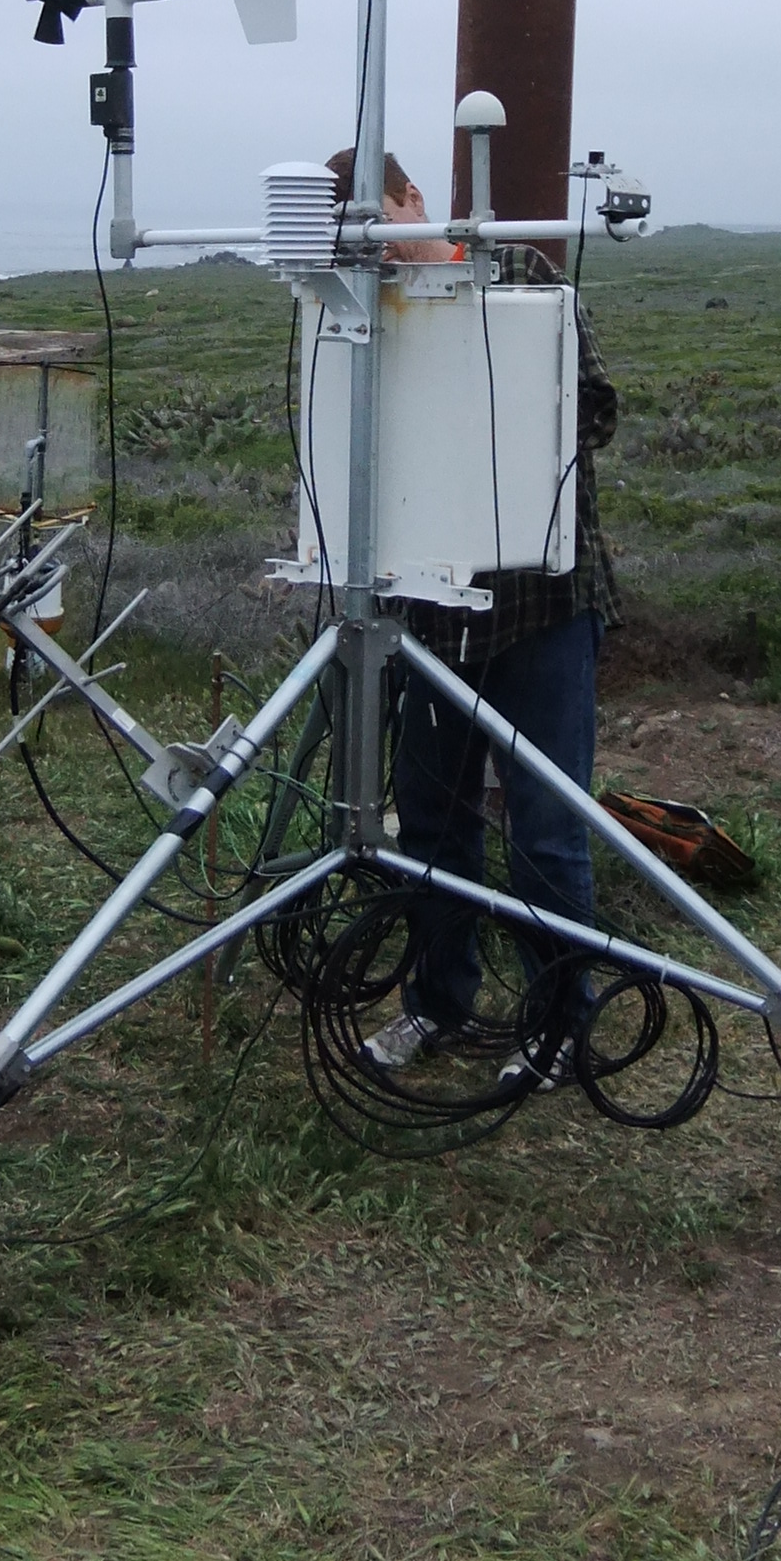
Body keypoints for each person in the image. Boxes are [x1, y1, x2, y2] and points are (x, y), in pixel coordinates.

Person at [323, 150, 621, 1091]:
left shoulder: (522, 277)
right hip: (430, 613)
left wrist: (491, 410)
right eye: (352, 239)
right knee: (437, 828)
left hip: (539, 607)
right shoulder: (364, 309)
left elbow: (598, 411)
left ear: (413, 199)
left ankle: (561, 1023)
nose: (375, 249)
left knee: (544, 829)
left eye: (380, 222)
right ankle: (437, 1003)